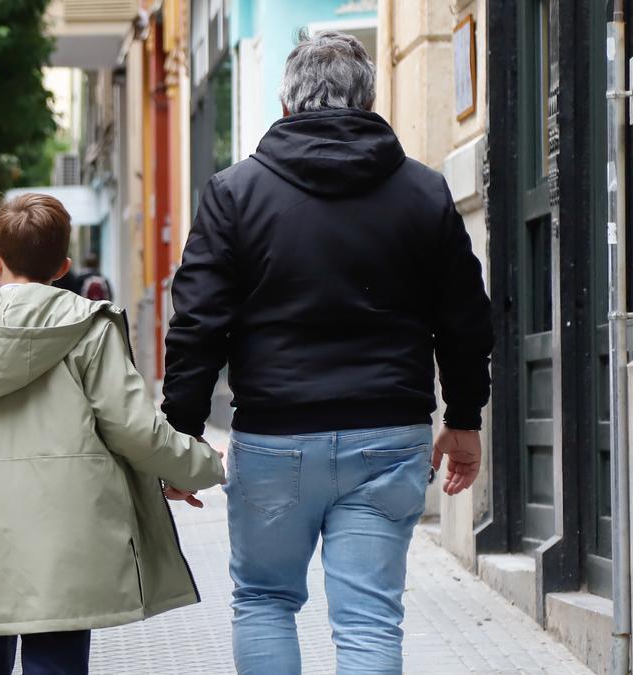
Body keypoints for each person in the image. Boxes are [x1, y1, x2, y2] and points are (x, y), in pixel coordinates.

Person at [162, 31, 494, 674]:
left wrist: (179, 434)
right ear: (369, 102)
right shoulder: (422, 192)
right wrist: (462, 418)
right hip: (388, 435)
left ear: (285, 107)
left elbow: (197, 323)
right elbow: (465, 317)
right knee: (369, 619)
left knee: (263, 600)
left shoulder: (234, 193)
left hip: (274, 436)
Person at [0, 193, 224, 675]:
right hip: (70, 542)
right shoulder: (89, 328)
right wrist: (202, 466)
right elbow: (135, 430)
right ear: (63, 266)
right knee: (56, 664)